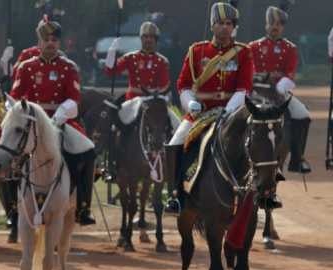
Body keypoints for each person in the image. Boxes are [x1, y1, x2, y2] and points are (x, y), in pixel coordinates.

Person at [165, 2, 254, 212]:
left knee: (258, 140)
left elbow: (244, 88)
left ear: (234, 27)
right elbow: (183, 85)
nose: (225, 28)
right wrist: (191, 103)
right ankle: (175, 195)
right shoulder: (196, 51)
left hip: (233, 113)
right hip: (201, 113)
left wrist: (228, 111)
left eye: (229, 24)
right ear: (212, 25)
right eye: (220, 23)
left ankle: (261, 192)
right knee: (175, 143)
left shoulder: (243, 53)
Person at [10, 13, 98, 225]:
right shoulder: (26, 67)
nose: (50, 43)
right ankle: (13, 208)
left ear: (59, 42)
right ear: (39, 42)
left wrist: (59, 115)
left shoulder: (69, 67)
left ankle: (83, 207)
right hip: (31, 123)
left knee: (88, 152)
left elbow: (74, 99)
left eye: (54, 40)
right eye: (46, 39)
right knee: (7, 155)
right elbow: (14, 97)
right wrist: (16, 114)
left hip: (60, 121)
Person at [101, 20, 178, 178]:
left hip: (154, 102)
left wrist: (153, 95)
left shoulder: (162, 61)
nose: (148, 40)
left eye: (151, 37)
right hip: (132, 102)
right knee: (113, 126)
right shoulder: (131, 58)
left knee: (176, 125)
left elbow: (164, 85)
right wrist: (112, 52)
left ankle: (173, 167)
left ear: (156, 40)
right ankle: (111, 164)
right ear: (141, 39)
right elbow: (110, 71)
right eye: (145, 37)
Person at [248, 4, 311, 173]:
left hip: (279, 91)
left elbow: (290, 74)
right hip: (256, 92)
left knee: (303, 114)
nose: (275, 27)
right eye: (272, 23)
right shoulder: (253, 46)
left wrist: (279, 86)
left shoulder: (290, 48)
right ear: (266, 25)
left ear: (283, 27)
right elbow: (250, 72)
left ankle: (297, 159)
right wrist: (268, 76)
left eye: (279, 24)